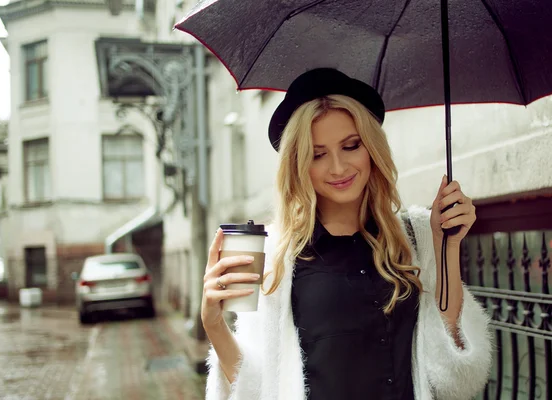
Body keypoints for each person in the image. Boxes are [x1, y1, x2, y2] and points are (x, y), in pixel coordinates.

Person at [201, 68, 492, 400]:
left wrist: (446, 246)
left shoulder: (416, 235)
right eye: (318, 154)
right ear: (299, 165)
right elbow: (258, 386)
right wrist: (214, 324)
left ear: (371, 148)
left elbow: (456, 376)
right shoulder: (277, 257)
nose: (338, 168)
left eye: (351, 146)